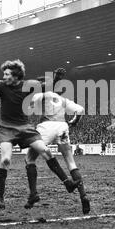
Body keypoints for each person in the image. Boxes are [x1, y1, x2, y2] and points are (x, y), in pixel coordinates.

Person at [0, 60, 79, 209]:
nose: (4, 76)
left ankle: (68, 184)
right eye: (4, 73)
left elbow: (45, 87)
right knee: (6, 160)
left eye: (7, 74)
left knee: (45, 151)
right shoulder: (1, 86)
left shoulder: (27, 85)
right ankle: (0, 197)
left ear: (16, 76)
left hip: (25, 127)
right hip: (7, 128)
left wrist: (56, 79)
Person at [24, 72, 90, 214]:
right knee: (70, 162)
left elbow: (30, 103)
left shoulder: (40, 96)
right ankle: (83, 195)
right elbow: (81, 110)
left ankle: (33, 193)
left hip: (46, 127)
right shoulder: (63, 100)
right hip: (62, 126)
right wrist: (74, 122)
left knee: (29, 159)